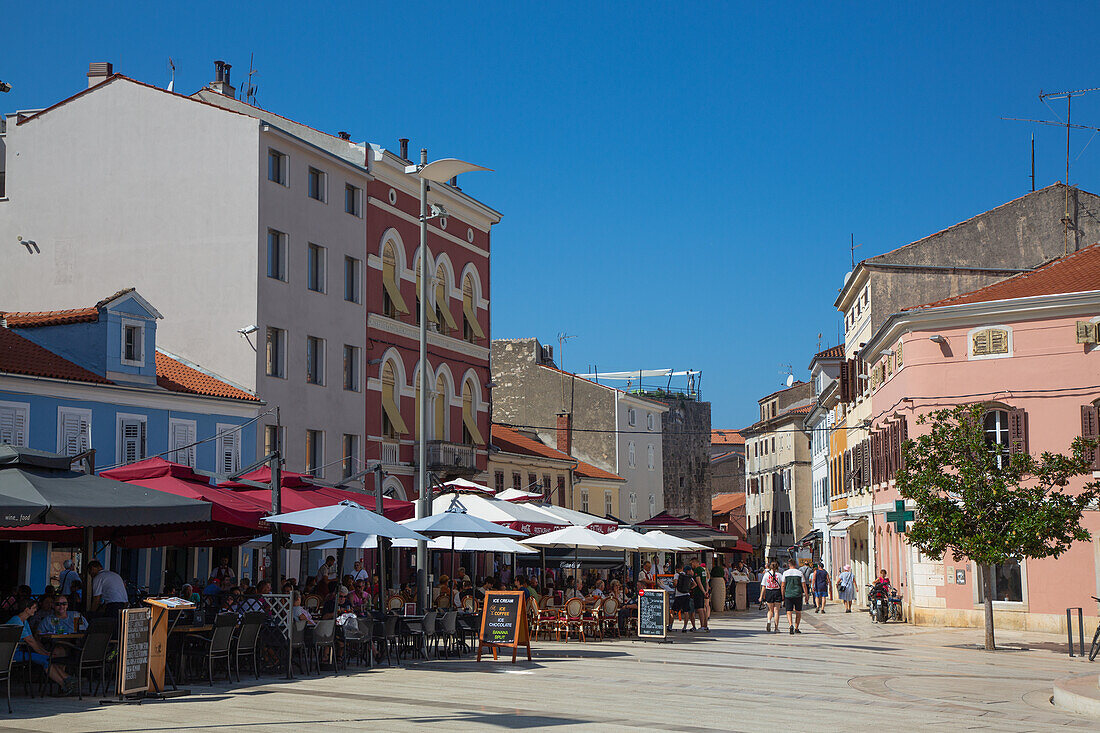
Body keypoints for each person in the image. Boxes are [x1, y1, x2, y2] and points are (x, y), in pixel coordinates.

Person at [8, 600, 76, 694]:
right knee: (45, 659)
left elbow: (33, 640)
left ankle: (67, 681)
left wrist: (44, 652)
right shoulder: (17, 621)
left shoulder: (24, 621)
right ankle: (66, 682)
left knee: (47, 658)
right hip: (11, 654)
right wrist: (44, 653)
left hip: (17, 651)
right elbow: (30, 641)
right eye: (34, 608)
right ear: (27, 609)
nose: (36, 610)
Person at [782, 558, 808, 634]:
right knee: (798, 612)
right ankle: (796, 627)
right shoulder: (799, 573)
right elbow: (804, 585)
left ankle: (790, 625)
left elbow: (783, 585)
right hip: (798, 594)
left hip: (788, 594)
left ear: (789, 565)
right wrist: (806, 595)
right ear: (795, 564)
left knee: (789, 611)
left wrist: (782, 594)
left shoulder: (785, 573)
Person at [758, 561, 783, 633]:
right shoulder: (779, 575)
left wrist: (761, 596)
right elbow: (782, 585)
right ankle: (776, 627)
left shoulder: (766, 575)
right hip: (777, 592)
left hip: (769, 592)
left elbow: (763, 586)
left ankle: (769, 621)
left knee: (770, 610)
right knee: (776, 611)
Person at [672, 562, 697, 632]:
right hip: (687, 595)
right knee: (686, 611)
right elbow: (695, 584)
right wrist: (689, 589)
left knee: (673, 611)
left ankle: (670, 626)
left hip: (679, 595)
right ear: (682, 568)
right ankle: (685, 627)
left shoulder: (676, 575)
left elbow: (675, 583)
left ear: (676, 569)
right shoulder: (687, 575)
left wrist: (674, 586)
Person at [690, 557, 710, 632]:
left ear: (695, 562)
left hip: (698, 592)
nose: (691, 565)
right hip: (704, 591)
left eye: (692, 563)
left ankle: (702, 626)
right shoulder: (703, 570)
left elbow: (699, 582)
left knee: (700, 609)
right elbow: (706, 581)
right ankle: (705, 625)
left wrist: (703, 591)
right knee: (704, 608)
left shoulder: (697, 570)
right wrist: (706, 590)